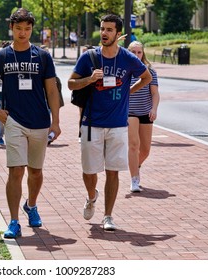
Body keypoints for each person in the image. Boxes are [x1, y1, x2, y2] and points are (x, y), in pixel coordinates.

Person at [0, 8, 61, 239]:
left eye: (27, 28)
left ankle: (31, 206)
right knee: (16, 170)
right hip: (14, 121)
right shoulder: (1, 56)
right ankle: (14, 220)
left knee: (36, 172)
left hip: (39, 122)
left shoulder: (42, 56)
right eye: (18, 28)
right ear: (12, 28)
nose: (23, 33)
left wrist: (55, 122)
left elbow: (52, 90)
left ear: (32, 29)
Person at [68, 14, 152, 231]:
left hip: (117, 124)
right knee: (89, 170)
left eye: (109, 30)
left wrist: (128, 91)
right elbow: (70, 84)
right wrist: (89, 79)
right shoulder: (89, 57)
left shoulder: (127, 58)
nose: (104, 33)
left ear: (118, 34)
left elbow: (147, 77)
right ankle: (91, 196)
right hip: (90, 123)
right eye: (102, 29)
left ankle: (108, 216)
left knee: (113, 171)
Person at [127, 41, 160, 192]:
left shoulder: (150, 71)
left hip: (146, 112)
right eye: (133, 52)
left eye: (139, 52)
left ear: (143, 53)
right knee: (134, 145)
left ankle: (135, 165)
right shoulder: (125, 70)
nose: (136, 55)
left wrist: (154, 109)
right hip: (130, 112)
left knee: (145, 149)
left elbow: (154, 93)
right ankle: (134, 179)